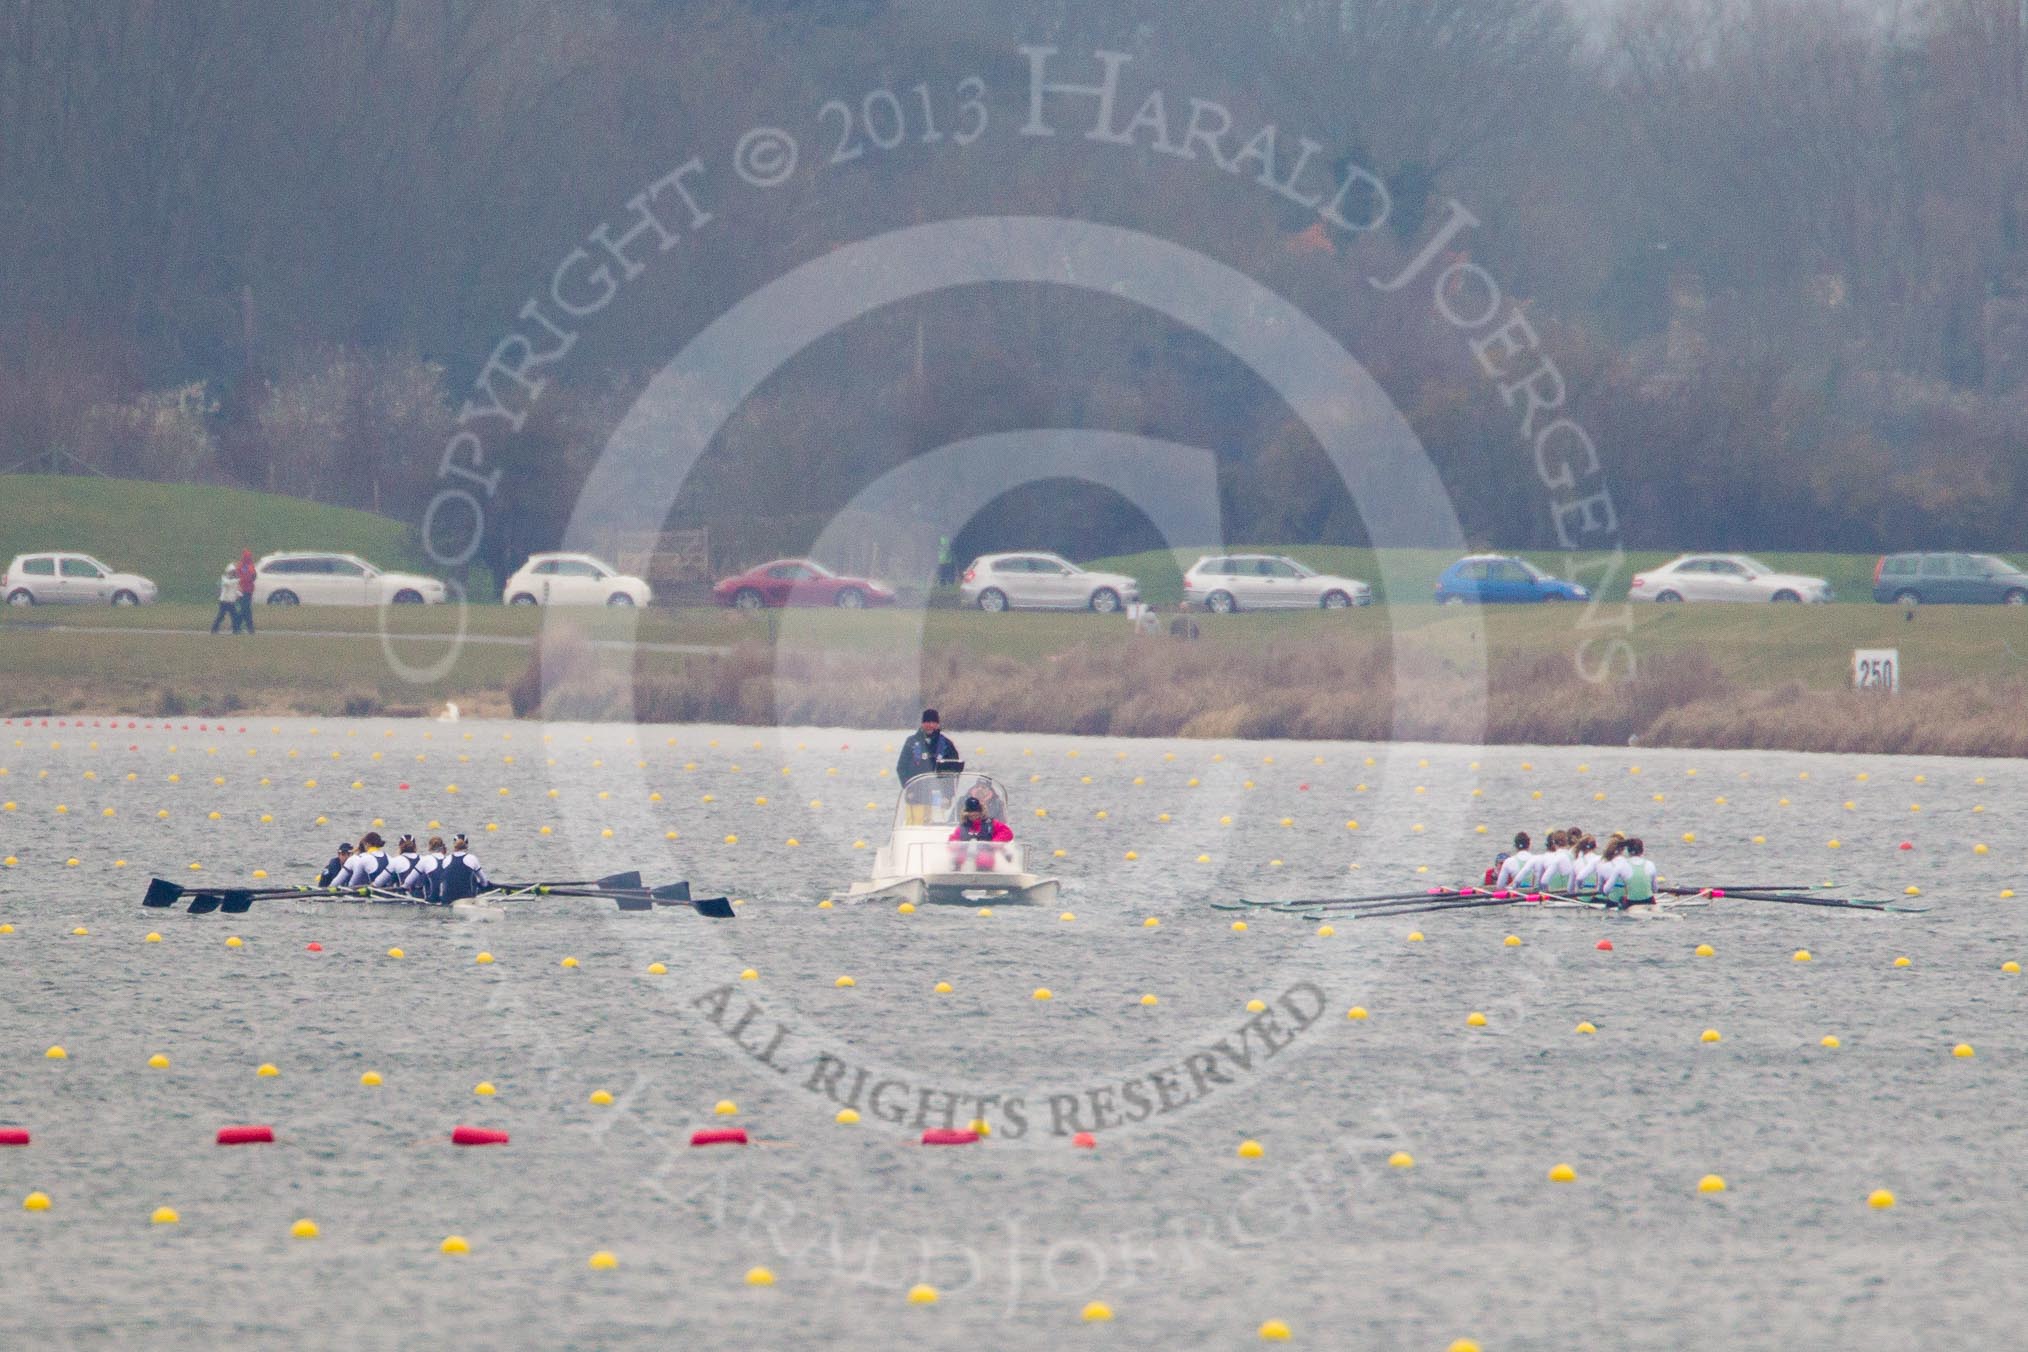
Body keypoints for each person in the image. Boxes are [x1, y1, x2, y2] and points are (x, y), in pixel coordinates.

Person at [896, 709, 959, 825]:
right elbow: (901, 767)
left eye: (933, 722)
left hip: (939, 797)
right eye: (927, 722)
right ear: (922, 723)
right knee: (915, 825)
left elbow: (954, 771)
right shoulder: (911, 742)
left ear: (938, 724)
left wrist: (948, 794)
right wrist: (908, 787)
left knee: (936, 825)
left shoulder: (947, 744)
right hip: (915, 795)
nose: (930, 725)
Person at [948, 796, 1013, 871]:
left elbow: (1007, 832)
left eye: (976, 811)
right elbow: (953, 839)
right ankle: (957, 872)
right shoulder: (963, 827)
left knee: (984, 858)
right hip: (963, 862)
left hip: (986, 859)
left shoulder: (991, 824)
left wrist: (996, 842)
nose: (973, 813)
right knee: (958, 856)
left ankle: (985, 874)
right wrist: (954, 844)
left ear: (981, 811)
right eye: (971, 811)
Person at [433, 833, 491, 902]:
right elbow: (484, 881)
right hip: (466, 899)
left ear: (454, 845)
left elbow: (442, 881)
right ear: (467, 845)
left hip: (447, 899)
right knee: (474, 878)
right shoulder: (472, 858)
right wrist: (483, 887)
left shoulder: (446, 859)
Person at [1603, 838, 1657, 910]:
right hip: (1649, 901)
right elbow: (1655, 889)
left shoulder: (1621, 865)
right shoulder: (1650, 864)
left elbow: (1606, 890)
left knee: (1622, 899)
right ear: (1642, 851)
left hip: (1631, 903)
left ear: (1628, 851)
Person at [210, 563, 244, 635]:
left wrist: (240, 594)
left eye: (234, 572)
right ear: (228, 572)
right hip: (224, 602)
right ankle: (214, 629)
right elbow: (227, 584)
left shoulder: (234, 580)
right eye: (232, 572)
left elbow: (235, 590)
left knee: (235, 616)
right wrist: (238, 580)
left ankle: (236, 630)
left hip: (231, 602)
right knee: (221, 616)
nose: (233, 573)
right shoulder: (224, 579)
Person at [235, 549, 257, 635]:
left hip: (249, 590)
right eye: (248, 556)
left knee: (246, 609)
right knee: (245, 609)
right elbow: (244, 577)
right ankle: (245, 627)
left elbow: (253, 575)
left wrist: (253, 576)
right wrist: (251, 577)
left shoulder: (250, 565)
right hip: (242, 590)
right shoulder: (242, 566)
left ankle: (242, 627)